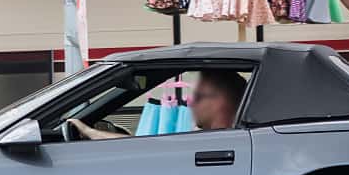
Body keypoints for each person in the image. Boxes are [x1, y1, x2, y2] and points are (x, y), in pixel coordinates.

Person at [71, 68, 247, 139]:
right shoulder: (230, 137)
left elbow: (141, 149)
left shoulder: (213, 142)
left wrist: (90, 132)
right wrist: (90, 132)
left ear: (220, 102)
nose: (192, 105)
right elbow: (144, 146)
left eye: (199, 97)